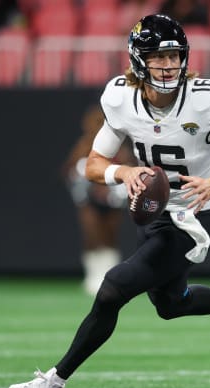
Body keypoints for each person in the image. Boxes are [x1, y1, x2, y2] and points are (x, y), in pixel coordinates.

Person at [9, 14, 210, 388]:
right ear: (138, 60)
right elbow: (94, 164)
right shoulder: (121, 99)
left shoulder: (204, 100)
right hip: (152, 217)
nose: (168, 66)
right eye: (158, 57)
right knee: (171, 305)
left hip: (192, 221)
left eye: (174, 56)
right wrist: (125, 171)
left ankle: (52, 382)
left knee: (112, 289)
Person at [64, 105, 136, 295]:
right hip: (88, 200)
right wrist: (85, 185)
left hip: (112, 200)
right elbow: (70, 171)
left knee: (111, 235)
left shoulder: (119, 148)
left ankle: (110, 276)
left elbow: (129, 169)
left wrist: (114, 189)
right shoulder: (83, 146)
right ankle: (93, 276)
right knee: (92, 236)